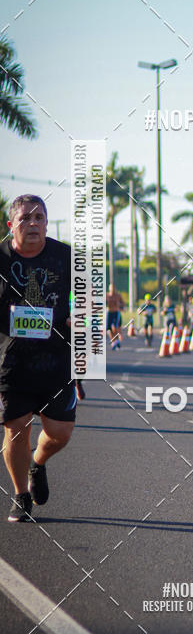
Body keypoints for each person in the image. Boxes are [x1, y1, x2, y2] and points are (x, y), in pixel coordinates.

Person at [0, 195, 76, 522]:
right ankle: (20, 495)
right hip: (11, 360)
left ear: (47, 222)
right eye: (25, 219)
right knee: (16, 429)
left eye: (39, 218)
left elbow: (89, 302)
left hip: (56, 360)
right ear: (11, 225)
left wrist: (87, 322)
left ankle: (38, 463)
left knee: (60, 433)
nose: (33, 224)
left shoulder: (66, 257)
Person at [106, 284, 124, 349]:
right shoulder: (107, 295)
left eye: (113, 288)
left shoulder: (118, 296)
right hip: (109, 313)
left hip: (116, 313)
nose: (112, 290)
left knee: (115, 327)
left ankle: (117, 341)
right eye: (111, 288)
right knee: (109, 329)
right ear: (109, 288)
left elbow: (123, 304)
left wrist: (119, 304)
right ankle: (114, 342)